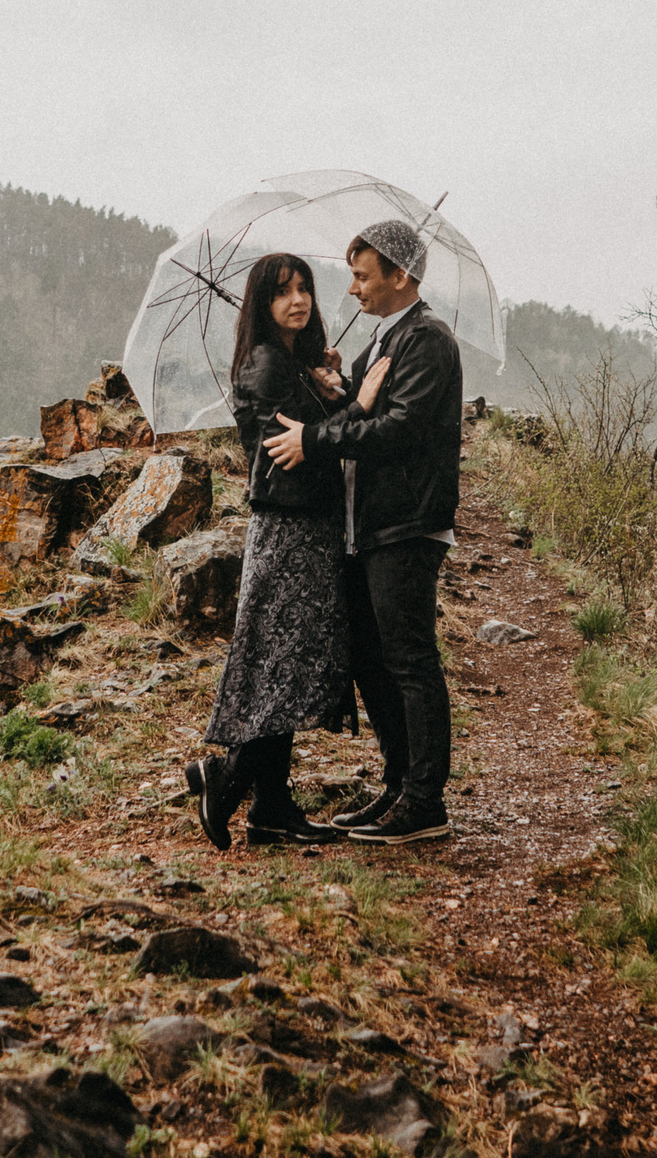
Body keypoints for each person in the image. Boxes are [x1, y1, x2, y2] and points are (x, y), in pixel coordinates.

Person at [264, 218, 463, 845]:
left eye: (361, 276)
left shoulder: (426, 339)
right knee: (375, 662)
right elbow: (371, 412)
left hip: (406, 525)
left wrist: (315, 438)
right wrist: (341, 386)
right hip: (369, 525)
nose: (351, 289)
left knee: (409, 660)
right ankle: (400, 787)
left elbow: (400, 430)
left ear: (399, 276)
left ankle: (426, 802)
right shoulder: (386, 341)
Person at [188, 252, 390, 848]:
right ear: (262, 303)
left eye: (303, 289)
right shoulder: (265, 365)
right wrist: (359, 403)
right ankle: (225, 776)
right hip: (288, 530)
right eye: (282, 293)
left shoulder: (290, 363)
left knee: (287, 663)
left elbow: (316, 432)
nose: (298, 300)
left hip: (307, 527)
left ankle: (271, 809)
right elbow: (295, 447)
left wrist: (327, 382)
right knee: (284, 661)